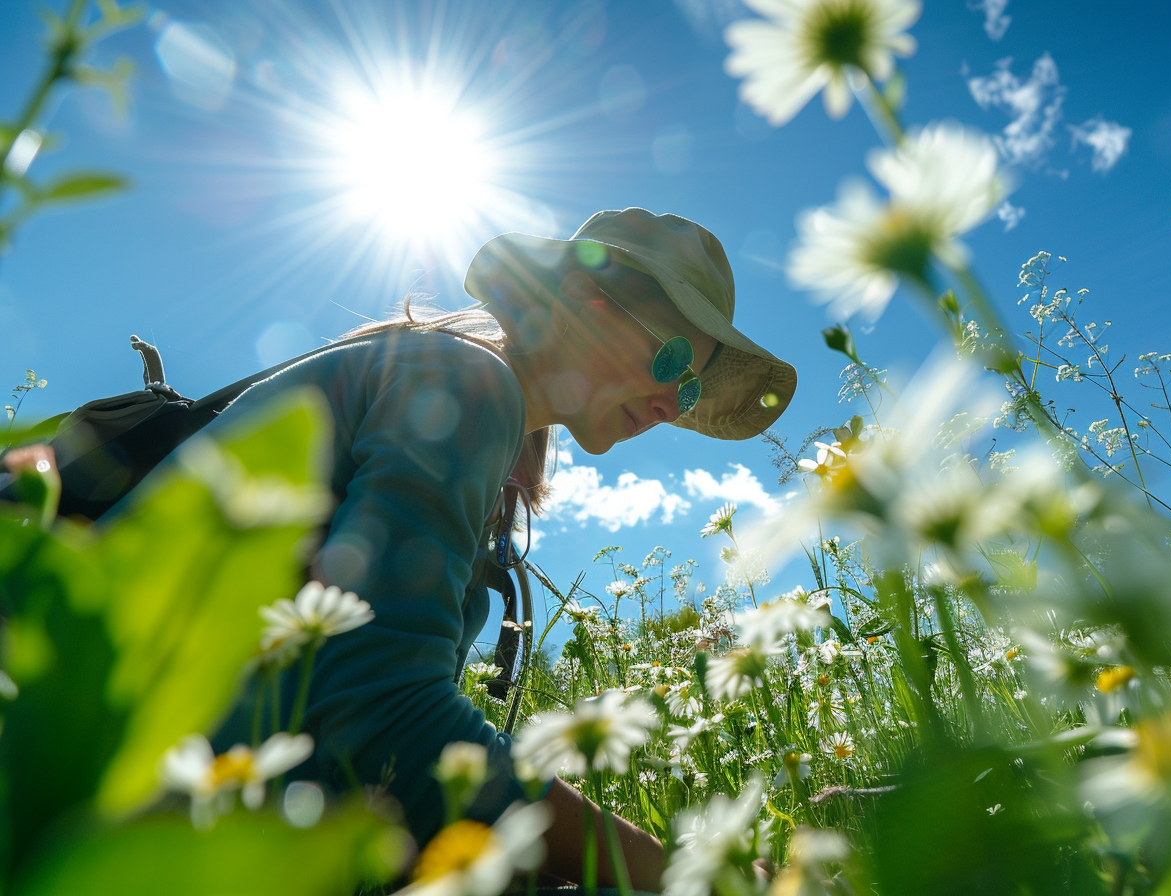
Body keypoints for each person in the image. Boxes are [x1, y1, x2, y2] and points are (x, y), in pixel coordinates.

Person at [207, 207, 797, 890]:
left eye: (689, 387)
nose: (672, 404)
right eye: (671, 362)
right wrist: (669, 874)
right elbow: (382, 715)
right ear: (581, 302)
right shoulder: (466, 384)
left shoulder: (455, 390)